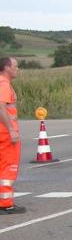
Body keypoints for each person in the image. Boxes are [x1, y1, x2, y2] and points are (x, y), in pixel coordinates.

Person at [0, 57, 24, 215]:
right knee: (7, 167)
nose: (17, 69)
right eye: (15, 66)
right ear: (7, 67)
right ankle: (5, 203)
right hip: (4, 134)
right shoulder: (3, 84)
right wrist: (11, 130)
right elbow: (1, 107)